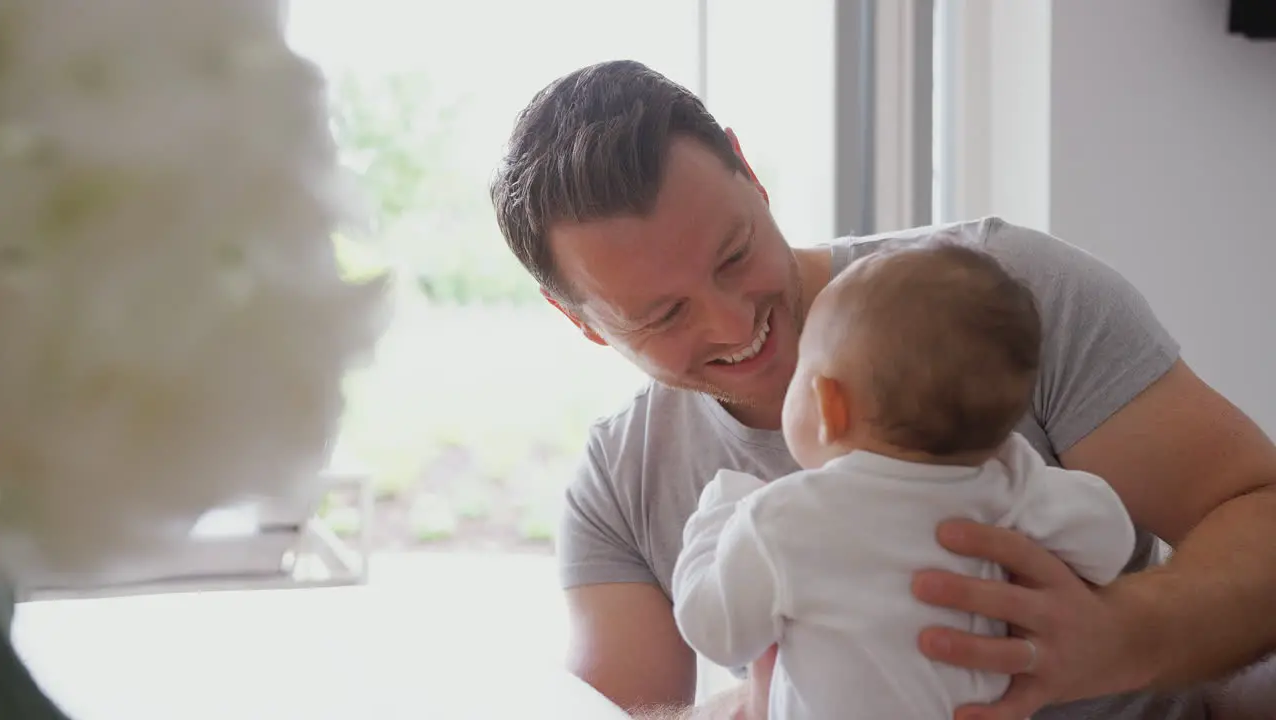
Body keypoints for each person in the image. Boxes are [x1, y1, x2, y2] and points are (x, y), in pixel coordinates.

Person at [488, 59, 1276, 720]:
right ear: (582, 321)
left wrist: (1123, 637)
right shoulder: (623, 479)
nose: (734, 325)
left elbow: (1259, 509)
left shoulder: (998, 299)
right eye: (663, 314)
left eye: (733, 256)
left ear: (750, 173)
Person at [670, 239, 1137, 719]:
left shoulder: (783, 517)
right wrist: (1020, 469)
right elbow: (1110, 547)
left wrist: (718, 518)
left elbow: (716, 632)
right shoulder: (1009, 493)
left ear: (830, 407)